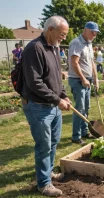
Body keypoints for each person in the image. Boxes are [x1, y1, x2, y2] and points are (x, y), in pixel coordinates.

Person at [21, 15, 71, 197]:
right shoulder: (35, 48)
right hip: (38, 106)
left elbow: (56, 78)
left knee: (53, 142)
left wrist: (63, 95)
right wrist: (58, 100)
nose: (64, 37)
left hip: (52, 106)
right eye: (62, 34)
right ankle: (43, 184)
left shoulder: (54, 48)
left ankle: (48, 173)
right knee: (43, 145)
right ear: (50, 29)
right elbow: (35, 83)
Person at [68, 21, 100, 145]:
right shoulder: (76, 43)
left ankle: (84, 132)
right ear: (85, 30)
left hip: (88, 80)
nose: (94, 35)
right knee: (79, 108)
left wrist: (96, 78)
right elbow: (74, 63)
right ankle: (76, 137)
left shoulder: (89, 44)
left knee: (86, 108)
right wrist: (83, 79)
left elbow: (92, 62)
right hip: (77, 80)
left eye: (96, 33)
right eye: (92, 32)